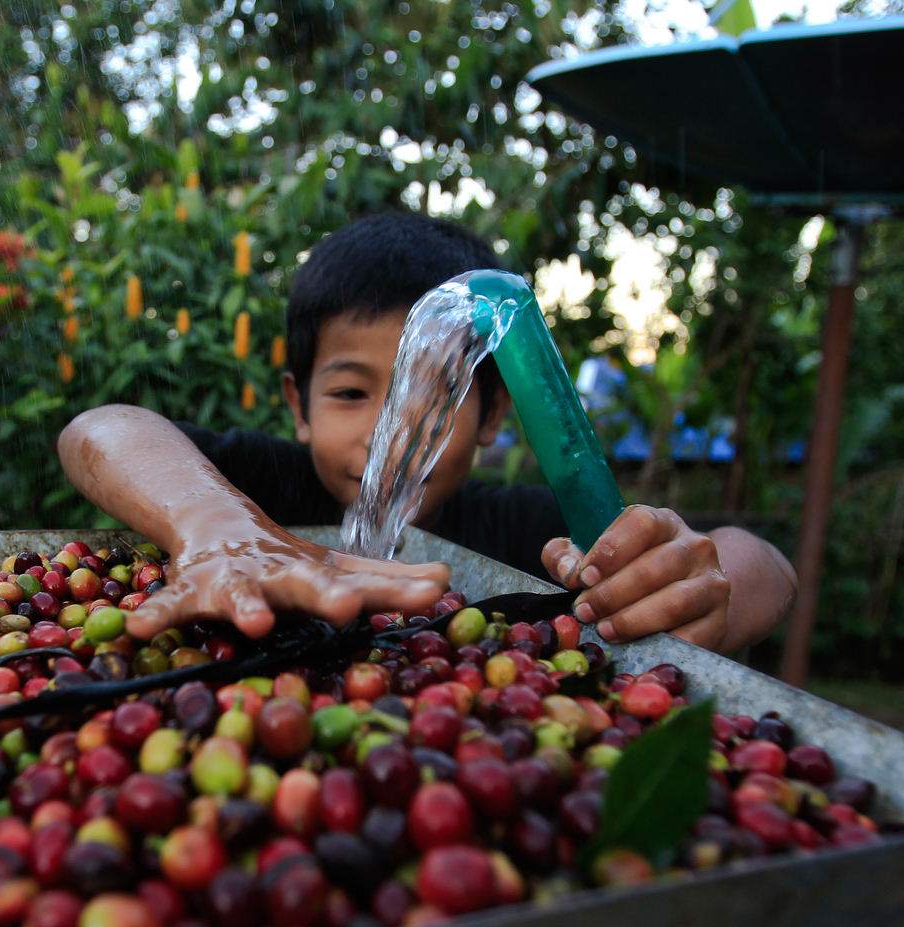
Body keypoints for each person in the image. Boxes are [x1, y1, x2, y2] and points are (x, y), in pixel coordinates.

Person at [59, 212, 797, 653]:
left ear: (496, 415)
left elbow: (769, 569)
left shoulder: (530, 533)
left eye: (431, 395)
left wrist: (707, 586)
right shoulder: (257, 487)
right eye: (350, 392)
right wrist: (213, 523)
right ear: (299, 403)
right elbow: (101, 429)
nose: (390, 432)